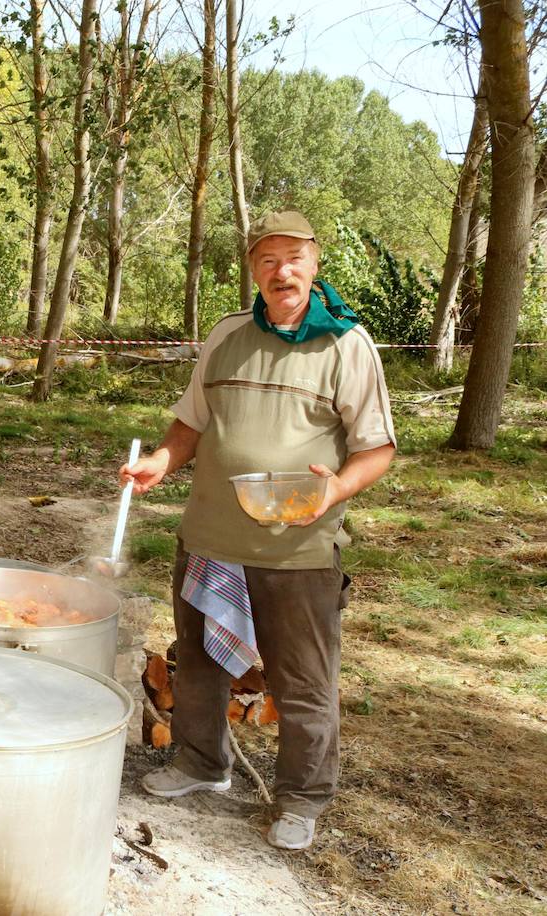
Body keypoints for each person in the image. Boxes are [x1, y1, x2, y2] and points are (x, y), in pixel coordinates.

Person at [120, 211, 397, 851]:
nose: (282, 272)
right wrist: (160, 461)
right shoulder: (228, 335)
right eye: (268, 260)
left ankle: (301, 798)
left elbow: (377, 448)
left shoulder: (347, 346)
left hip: (297, 551)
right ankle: (198, 763)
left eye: (294, 258)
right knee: (201, 661)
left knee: (303, 682)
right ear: (254, 270)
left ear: (315, 264)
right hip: (211, 537)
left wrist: (335, 488)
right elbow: (191, 424)